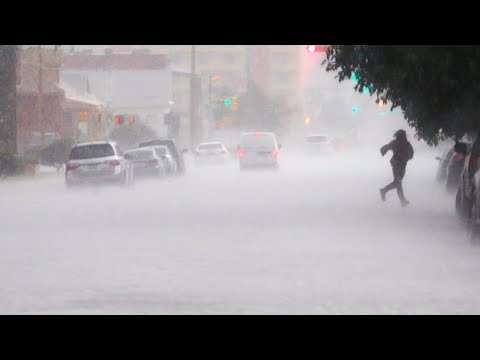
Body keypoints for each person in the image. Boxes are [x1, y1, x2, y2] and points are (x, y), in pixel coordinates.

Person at [379, 129, 414, 207]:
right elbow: (386, 147)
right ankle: (402, 200)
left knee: (397, 183)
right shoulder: (398, 143)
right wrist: (383, 150)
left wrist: (408, 156)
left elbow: (411, 153)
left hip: (402, 166)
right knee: (398, 182)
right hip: (396, 165)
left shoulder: (405, 144)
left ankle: (384, 191)